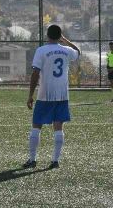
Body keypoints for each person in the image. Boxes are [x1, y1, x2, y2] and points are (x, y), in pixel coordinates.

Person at [23, 24, 81, 170]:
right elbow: (78, 51)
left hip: (44, 94)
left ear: (47, 35)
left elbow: (35, 73)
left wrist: (30, 95)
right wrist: (65, 40)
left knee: (37, 126)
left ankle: (32, 159)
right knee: (58, 127)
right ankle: (55, 160)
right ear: (60, 36)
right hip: (62, 94)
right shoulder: (66, 50)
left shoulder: (41, 50)